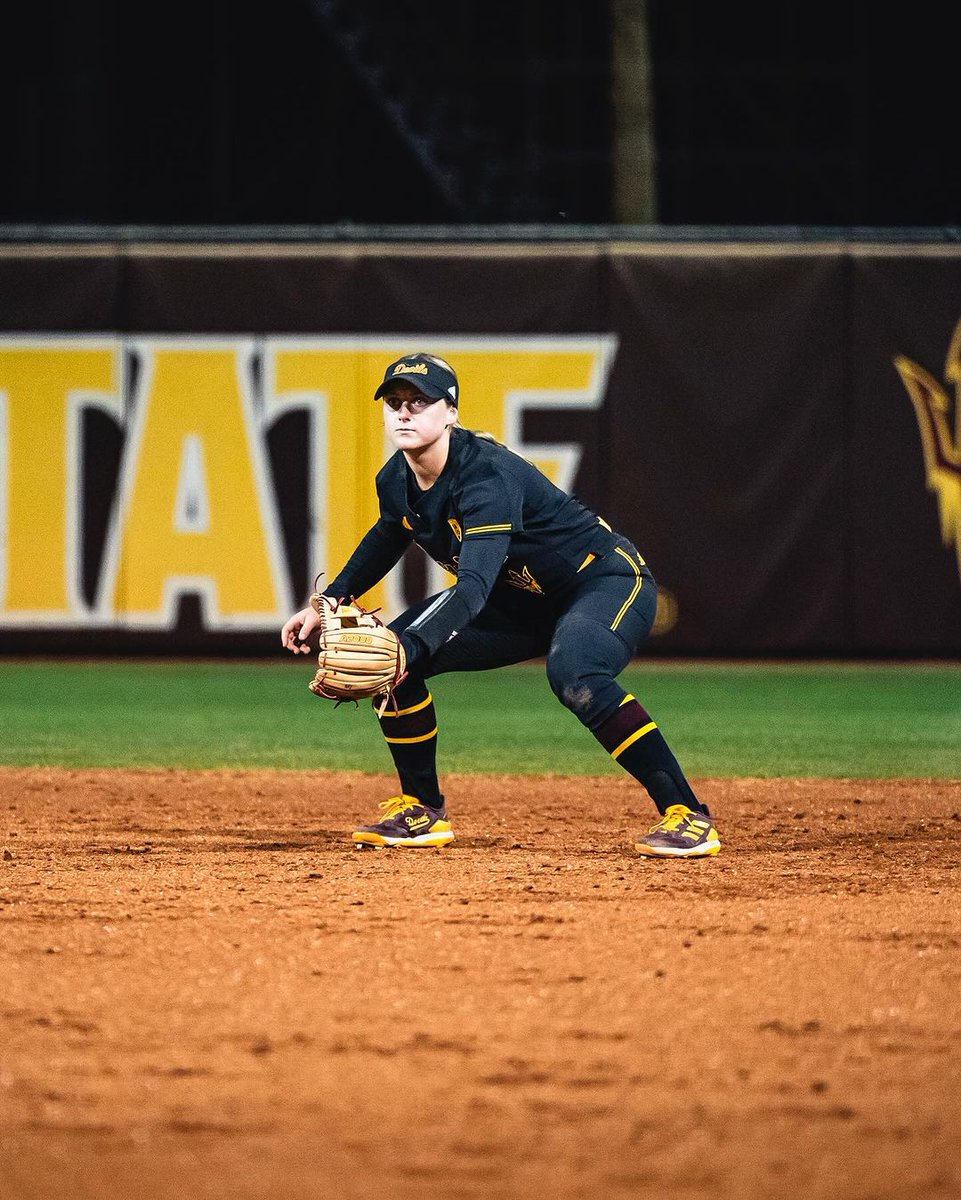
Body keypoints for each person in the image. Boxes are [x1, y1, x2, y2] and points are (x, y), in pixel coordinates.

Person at [281, 353, 720, 858]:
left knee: (575, 672)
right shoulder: (395, 479)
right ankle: (421, 809)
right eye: (395, 403)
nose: (404, 413)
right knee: (392, 659)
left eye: (419, 402)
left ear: (450, 413)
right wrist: (328, 602)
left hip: (604, 582)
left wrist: (413, 644)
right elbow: (388, 534)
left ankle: (688, 814)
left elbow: (472, 589)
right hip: (524, 598)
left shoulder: (486, 478)